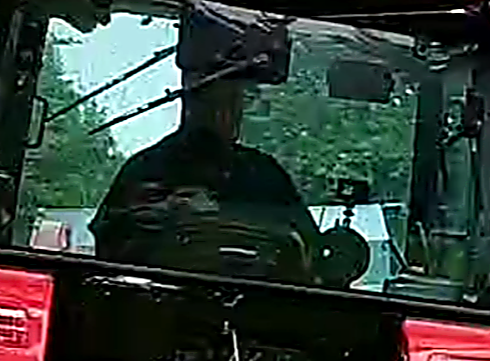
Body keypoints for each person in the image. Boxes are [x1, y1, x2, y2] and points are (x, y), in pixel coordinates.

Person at [89, 73, 321, 275]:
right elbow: (110, 246)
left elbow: (307, 246)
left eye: (235, 102)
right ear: (190, 102)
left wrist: (223, 218)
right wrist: (168, 213)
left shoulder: (265, 174)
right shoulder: (146, 168)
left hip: (257, 305)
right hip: (159, 305)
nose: (228, 113)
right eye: (216, 102)